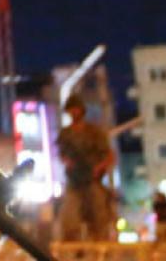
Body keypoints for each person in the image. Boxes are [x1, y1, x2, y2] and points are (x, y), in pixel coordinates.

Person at [55, 95, 115, 241]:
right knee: (69, 220)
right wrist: (67, 161)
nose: (74, 113)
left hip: (92, 179)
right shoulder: (66, 133)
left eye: (76, 109)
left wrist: (99, 168)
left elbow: (108, 155)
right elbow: (61, 154)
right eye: (71, 110)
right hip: (74, 181)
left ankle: (101, 250)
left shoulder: (94, 132)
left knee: (99, 219)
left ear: (82, 110)